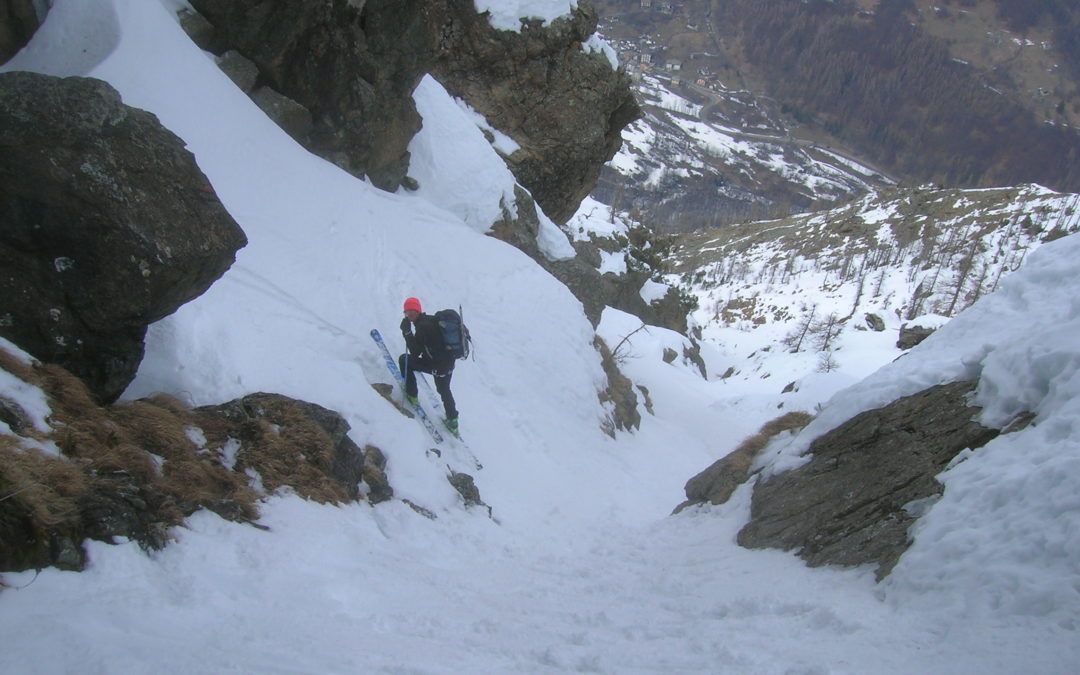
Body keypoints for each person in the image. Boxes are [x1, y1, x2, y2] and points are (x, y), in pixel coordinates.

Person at [398, 296, 459, 435]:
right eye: (407, 313)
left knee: (404, 360)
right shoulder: (432, 320)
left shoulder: (423, 327)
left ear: (418, 311)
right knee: (444, 390)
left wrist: (407, 333)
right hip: (448, 365)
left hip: (436, 366)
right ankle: (453, 421)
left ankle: (411, 394)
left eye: (411, 312)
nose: (409, 315)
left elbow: (414, 352)